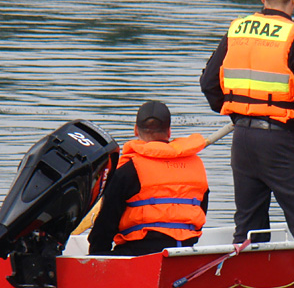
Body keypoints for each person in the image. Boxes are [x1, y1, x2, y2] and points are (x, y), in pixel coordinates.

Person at [200, 0, 294, 244]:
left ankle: (247, 284)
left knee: (250, 229)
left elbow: (208, 83)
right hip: (281, 142)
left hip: (243, 141)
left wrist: (237, 111)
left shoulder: (236, 30)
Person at [88, 100, 210, 256]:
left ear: (136, 131)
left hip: (139, 251)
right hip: (185, 250)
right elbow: (201, 209)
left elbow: (107, 222)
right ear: (169, 131)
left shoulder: (129, 169)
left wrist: (96, 254)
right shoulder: (196, 164)